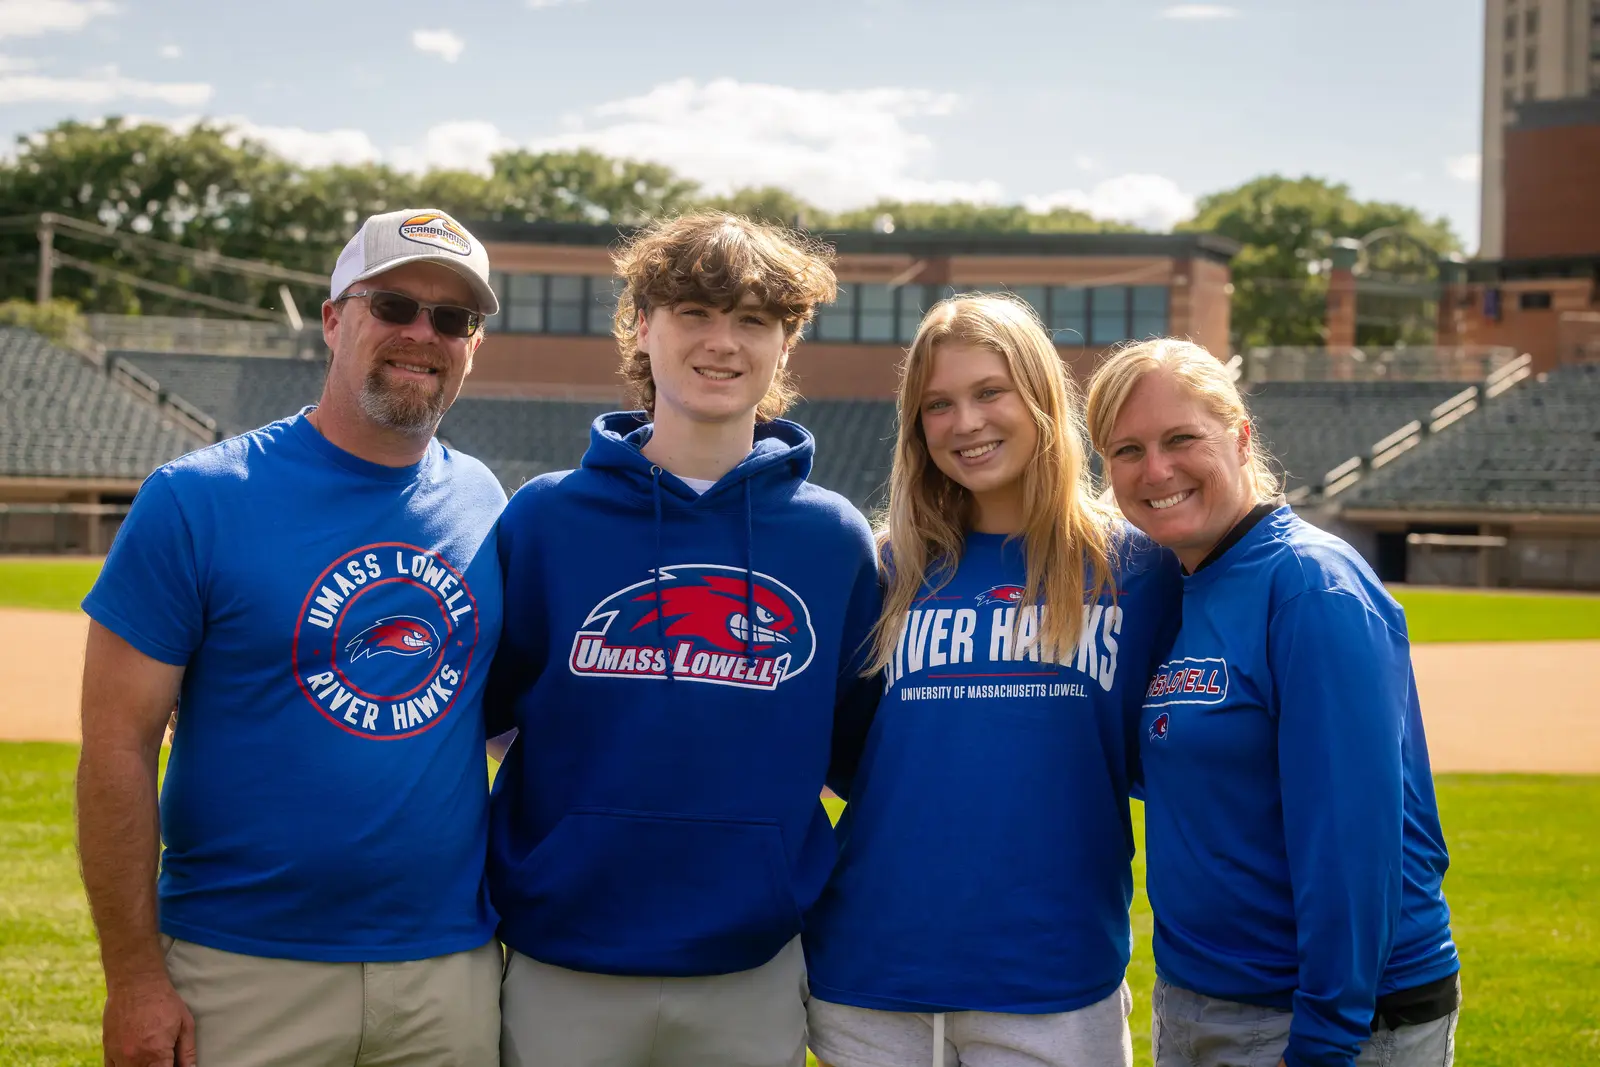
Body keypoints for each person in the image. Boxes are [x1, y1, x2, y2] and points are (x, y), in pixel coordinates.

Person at [77, 208, 507, 1067]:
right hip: (239, 966)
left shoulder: (489, 503)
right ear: (335, 319)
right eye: (393, 305)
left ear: (473, 345)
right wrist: (133, 979)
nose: (423, 334)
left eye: (453, 319)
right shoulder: (197, 497)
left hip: (445, 969)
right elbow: (116, 746)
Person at [486, 211, 882, 1067]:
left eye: (753, 319)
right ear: (640, 326)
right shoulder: (548, 520)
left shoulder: (833, 540)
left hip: (752, 966)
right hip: (566, 956)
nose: (722, 343)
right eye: (695, 313)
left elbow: (859, 752)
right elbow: (469, 717)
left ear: (786, 342)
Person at [803, 294, 1184, 1067]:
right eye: (938, 404)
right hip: (869, 975)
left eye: (988, 392)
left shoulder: (1136, 567)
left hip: (1053, 980)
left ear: (1040, 397)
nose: (965, 422)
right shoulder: (887, 568)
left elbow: (1166, 751)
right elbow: (849, 756)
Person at [1084, 338, 1461, 1067]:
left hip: (1331, 1014)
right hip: (1203, 996)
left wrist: (1325, 1033)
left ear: (1241, 435)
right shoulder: (1181, 582)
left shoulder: (1309, 585)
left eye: (1181, 438)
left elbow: (1353, 834)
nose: (1156, 469)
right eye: (1126, 449)